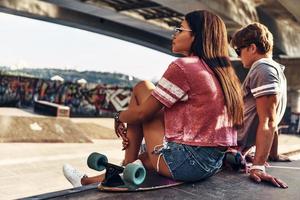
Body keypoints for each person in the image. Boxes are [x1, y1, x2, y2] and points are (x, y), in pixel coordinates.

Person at [62, 10, 243, 187]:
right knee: (144, 159)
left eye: (180, 29)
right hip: (211, 165)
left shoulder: (184, 67)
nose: (174, 34)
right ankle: (86, 182)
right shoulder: (224, 75)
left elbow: (142, 114)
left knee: (143, 88)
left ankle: (128, 160)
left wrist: (119, 116)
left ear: (196, 36)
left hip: (186, 163)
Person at [231, 22, 288, 188]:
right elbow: (273, 119)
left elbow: (269, 120)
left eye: (238, 50)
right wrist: (274, 154)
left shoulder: (263, 70)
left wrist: (258, 167)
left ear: (252, 48)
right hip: (239, 147)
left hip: (230, 147)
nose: (238, 55)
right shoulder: (274, 69)